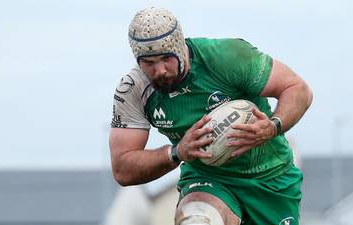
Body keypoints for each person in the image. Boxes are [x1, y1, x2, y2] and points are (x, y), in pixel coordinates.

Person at [109, 7, 313, 225]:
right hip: (208, 178)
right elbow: (123, 169)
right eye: (148, 62)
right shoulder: (132, 90)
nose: (160, 70)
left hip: (270, 178)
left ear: (180, 48)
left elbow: (298, 89)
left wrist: (273, 126)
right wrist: (177, 152)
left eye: (166, 58)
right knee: (197, 218)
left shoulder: (227, 57)